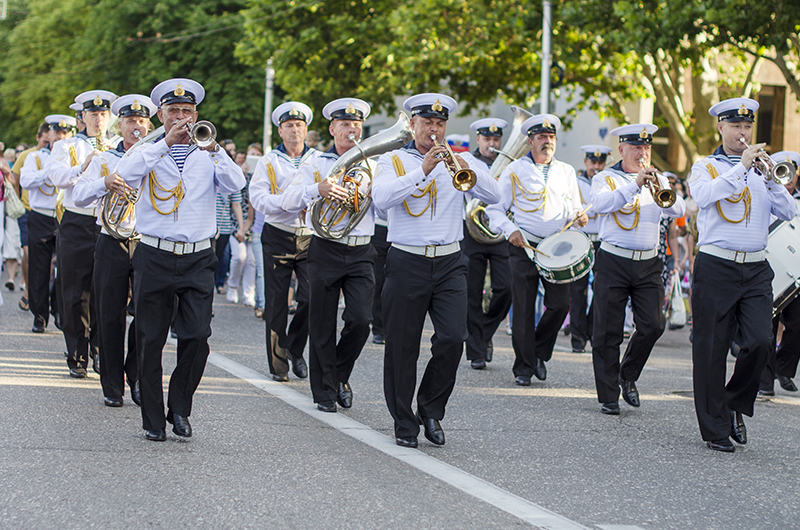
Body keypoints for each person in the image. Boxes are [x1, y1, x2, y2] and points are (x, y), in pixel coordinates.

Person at [115, 78, 245, 441]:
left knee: (198, 336)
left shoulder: (208, 153)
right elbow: (124, 174)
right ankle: (153, 420)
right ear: (161, 115)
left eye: (187, 112)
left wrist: (216, 149)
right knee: (149, 338)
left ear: (197, 114)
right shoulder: (147, 150)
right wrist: (164, 144)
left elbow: (236, 183)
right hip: (155, 254)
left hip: (198, 256)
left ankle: (180, 407)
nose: (181, 118)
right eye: (174, 111)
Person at [373, 93, 501, 447]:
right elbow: (381, 199)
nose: (434, 129)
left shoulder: (459, 160)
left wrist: (467, 170)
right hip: (406, 260)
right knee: (402, 347)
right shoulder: (392, 161)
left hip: (449, 261)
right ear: (412, 124)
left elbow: (497, 197)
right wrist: (423, 170)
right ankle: (404, 422)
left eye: (440, 124)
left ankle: (430, 408)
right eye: (427, 122)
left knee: (452, 338)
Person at [690, 98, 796, 452]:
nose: (743, 133)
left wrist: (772, 179)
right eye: (735, 126)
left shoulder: (761, 172)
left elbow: (789, 210)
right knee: (711, 349)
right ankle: (715, 429)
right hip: (716, 266)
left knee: (761, 342)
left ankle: (734, 402)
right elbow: (705, 197)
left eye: (747, 127)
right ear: (720, 127)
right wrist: (741, 169)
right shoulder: (705, 167)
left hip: (754, 268)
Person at [281, 97, 375, 412]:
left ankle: (338, 375)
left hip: (361, 248)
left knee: (361, 320)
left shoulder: (373, 162)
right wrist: (316, 190)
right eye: (345, 124)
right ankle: (324, 391)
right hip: (325, 248)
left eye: (356, 124)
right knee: (321, 322)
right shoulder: (316, 162)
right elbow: (288, 199)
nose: (352, 129)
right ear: (332, 128)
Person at [590, 123, 686, 415]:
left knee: (653, 325)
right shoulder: (606, 177)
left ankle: (627, 374)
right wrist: (635, 185)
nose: (642, 153)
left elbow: (679, 210)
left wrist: (661, 185)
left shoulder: (658, 179)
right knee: (607, 331)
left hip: (648, 261)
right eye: (636, 147)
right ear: (622, 149)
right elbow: (599, 205)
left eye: (646, 147)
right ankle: (608, 395)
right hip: (613, 259)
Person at [485, 114, 587, 386]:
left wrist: (579, 215)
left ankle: (539, 352)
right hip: (524, 245)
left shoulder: (566, 171)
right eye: (542, 137)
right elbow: (495, 208)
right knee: (524, 308)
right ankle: (524, 366)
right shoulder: (515, 169)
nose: (547, 142)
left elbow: (574, 205)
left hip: (555, 248)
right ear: (530, 141)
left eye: (551, 137)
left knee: (559, 305)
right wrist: (510, 231)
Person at [72, 94, 156, 408]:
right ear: (119, 125)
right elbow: (79, 195)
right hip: (111, 240)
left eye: (142, 121)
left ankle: (134, 373)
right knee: (109, 315)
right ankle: (111, 384)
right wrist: (103, 182)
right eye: (131, 121)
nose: (137, 126)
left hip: (146, 241)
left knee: (148, 314)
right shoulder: (105, 158)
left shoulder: (157, 157)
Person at [48, 90, 118, 378]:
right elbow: (56, 177)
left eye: (103, 114)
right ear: (83, 116)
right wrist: (83, 165)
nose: (99, 119)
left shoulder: (117, 145)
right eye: (93, 114)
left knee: (106, 290)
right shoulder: (68, 146)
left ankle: (101, 349)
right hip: (77, 222)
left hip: (108, 223)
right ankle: (77, 353)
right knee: (75, 291)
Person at [250, 101, 319, 381]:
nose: (294, 130)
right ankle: (278, 366)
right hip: (278, 233)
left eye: (299, 125)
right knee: (277, 302)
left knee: (312, 297)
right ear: (280, 131)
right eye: (289, 126)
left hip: (310, 236)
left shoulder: (318, 159)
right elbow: (258, 199)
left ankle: (294, 347)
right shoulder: (269, 161)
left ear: (306, 129)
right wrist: (289, 203)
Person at [463, 118, 512, 370]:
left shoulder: (510, 163)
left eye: (496, 139)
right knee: (472, 292)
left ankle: (485, 331)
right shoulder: (468, 161)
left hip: (500, 231)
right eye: (487, 139)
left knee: (506, 288)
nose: (492, 144)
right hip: (473, 230)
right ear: (478, 140)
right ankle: (476, 351)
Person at [20, 118, 72, 333]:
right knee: (39, 268)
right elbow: (25, 181)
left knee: (66, 268)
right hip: (41, 216)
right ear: (48, 135)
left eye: (64, 133)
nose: (59, 136)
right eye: (55, 132)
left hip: (64, 217)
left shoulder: (75, 157)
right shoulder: (35, 157)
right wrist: (50, 172)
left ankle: (59, 310)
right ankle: (39, 315)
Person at [759, 151, 800, 396]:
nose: (790, 178)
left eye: (793, 173)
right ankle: (764, 381)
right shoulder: (764, 196)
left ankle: (784, 368)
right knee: (766, 326)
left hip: (795, 273)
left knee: (798, 325)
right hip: (766, 268)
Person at [569, 145, 610, 353]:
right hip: (581, 239)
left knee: (602, 290)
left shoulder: (608, 182)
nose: (596, 166)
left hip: (602, 241)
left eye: (600, 162)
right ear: (585, 162)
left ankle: (592, 330)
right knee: (578, 290)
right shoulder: (576, 183)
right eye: (593, 162)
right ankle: (577, 336)